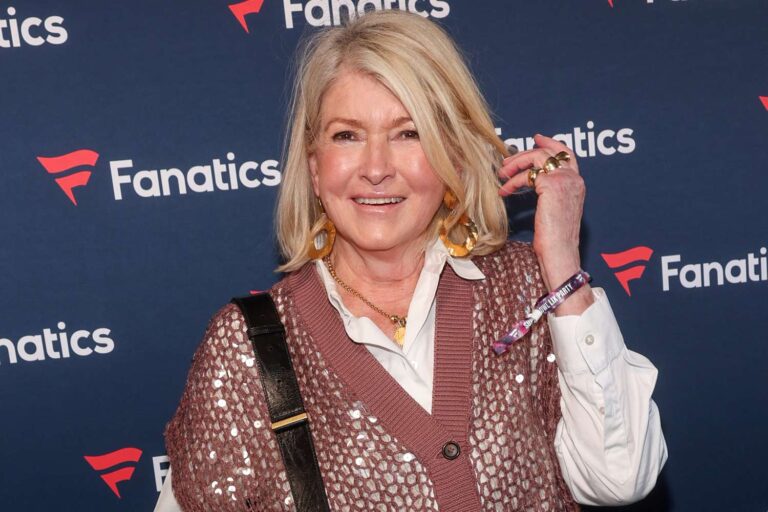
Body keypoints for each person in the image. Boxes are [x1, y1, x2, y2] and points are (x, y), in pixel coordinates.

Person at [155, 9, 667, 512]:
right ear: (314, 167)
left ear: (453, 155)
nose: (376, 168)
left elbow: (619, 478)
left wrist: (561, 261)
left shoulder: (532, 292)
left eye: (408, 133)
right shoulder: (246, 347)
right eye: (347, 135)